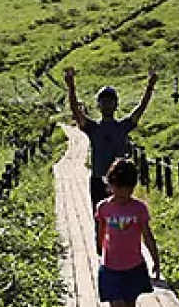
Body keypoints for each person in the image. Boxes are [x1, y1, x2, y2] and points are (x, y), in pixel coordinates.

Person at [94, 157, 161, 307]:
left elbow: (147, 235)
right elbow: (101, 230)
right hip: (111, 267)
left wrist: (155, 259)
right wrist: (98, 248)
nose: (123, 193)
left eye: (128, 189)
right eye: (119, 188)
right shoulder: (103, 207)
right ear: (110, 185)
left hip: (134, 266)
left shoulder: (139, 209)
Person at [64, 65, 158, 219]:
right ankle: (100, 245)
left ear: (116, 105)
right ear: (98, 105)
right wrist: (71, 88)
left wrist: (150, 86)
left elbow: (141, 108)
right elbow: (76, 111)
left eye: (110, 101)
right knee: (100, 222)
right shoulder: (93, 128)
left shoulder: (123, 126)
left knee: (122, 221)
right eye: (104, 101)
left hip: (122, 182)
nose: (107, 104)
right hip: (98, 181)